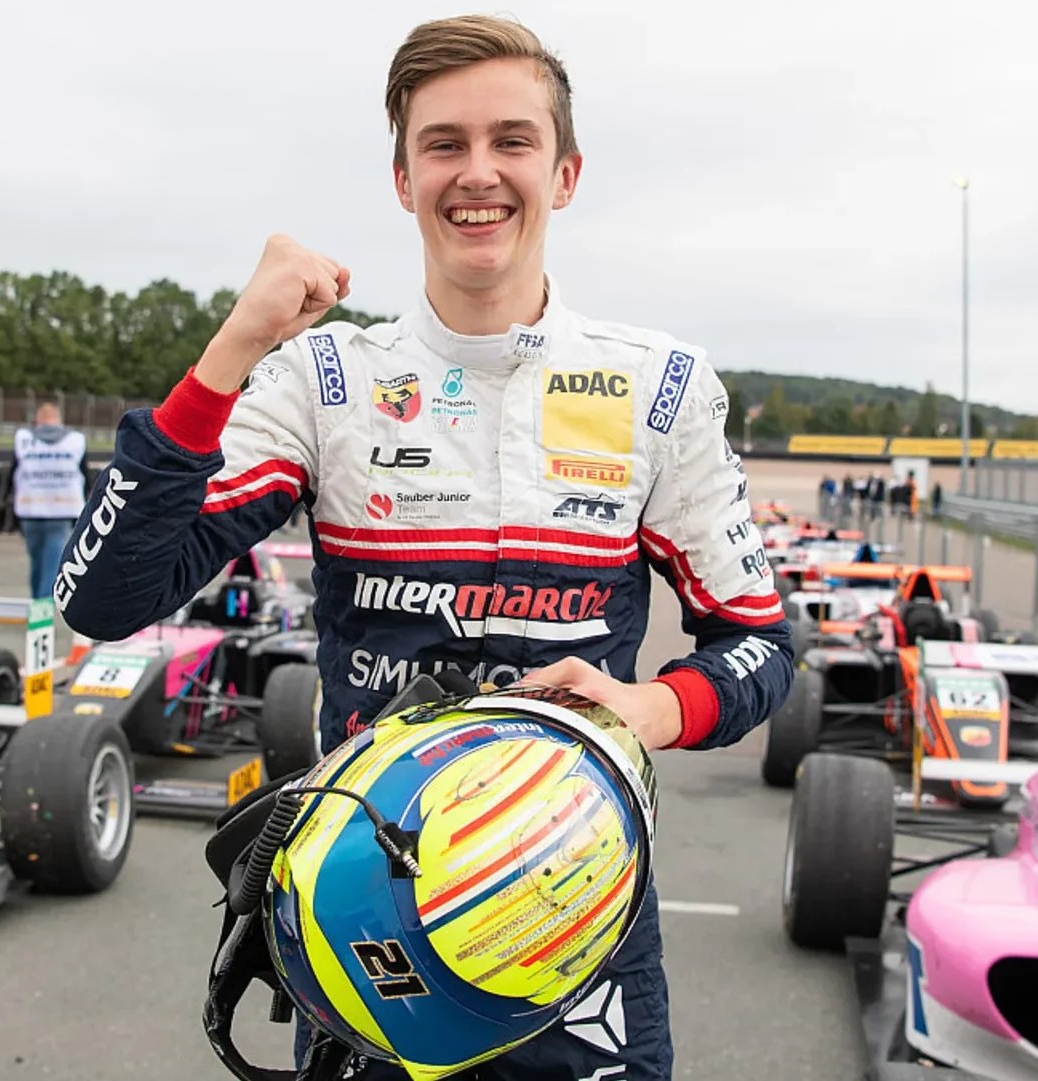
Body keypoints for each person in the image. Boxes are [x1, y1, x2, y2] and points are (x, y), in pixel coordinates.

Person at [54, 14, 792, 1080]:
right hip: (361, 919)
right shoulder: (325, 381)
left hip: (571, 909)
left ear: (566, 172)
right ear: (403, 179)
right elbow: (107, 597)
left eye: (513, 141)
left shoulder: (657, 388)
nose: (477, 173)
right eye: (443, 144)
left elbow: (761, 646)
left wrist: (654, 706)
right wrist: (232, 348)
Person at [9, 401, 87, 599]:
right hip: (62, 510)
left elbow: (13, 475)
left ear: (37, 421)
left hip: (30, 508)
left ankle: (37, 604)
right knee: (52, 564)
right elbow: (85, 476)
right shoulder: (75, 442)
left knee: (37, 563)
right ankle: (41, 613)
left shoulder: (24, 440)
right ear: (59, 421)